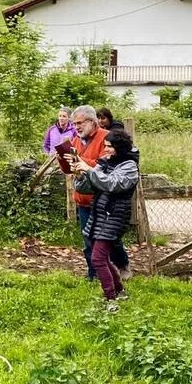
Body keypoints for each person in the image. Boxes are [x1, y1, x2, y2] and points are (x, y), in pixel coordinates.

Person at [71, 128, 140, 312]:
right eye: (106, 145)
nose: (106, 149)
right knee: (102, 258)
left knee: (97, 259)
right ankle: (120, 291)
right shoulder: (104, 162)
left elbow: (112, 184)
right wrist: (80, 174)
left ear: (120, 147)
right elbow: (88, 187)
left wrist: (89, 169)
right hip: (99, 214)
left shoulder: (129, 167)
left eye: (110, 146)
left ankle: (110, 299)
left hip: (115, 216)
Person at [66, 105, 131, 280]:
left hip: (103, 200)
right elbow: (73, 167)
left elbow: (107, 166)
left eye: (80, 123)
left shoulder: (106, 138)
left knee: (110, 239)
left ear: (92, 121)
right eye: (74, 124)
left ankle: (122, 264)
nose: (77, 127)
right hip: (83, 199)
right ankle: (94, 274)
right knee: (88, 240)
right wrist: (67, 163)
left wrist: (81, 162)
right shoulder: (76, 141)